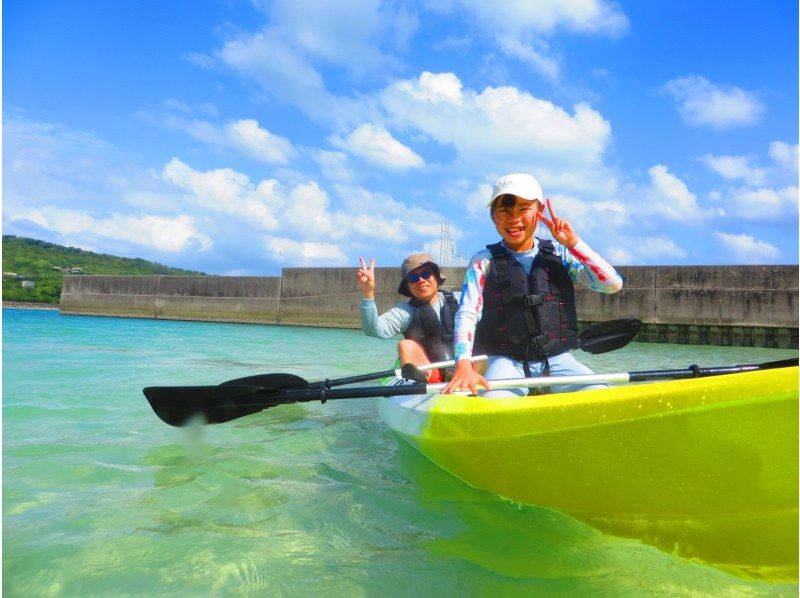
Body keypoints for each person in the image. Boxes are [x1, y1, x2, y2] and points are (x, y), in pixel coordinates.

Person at [443, 173, 623, 397]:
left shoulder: (561, 253)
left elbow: (612, 284)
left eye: (523, 209)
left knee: (602, 396)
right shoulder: (483, 261)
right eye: (504, 212)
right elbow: (467, 313)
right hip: (505, 361)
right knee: (495, 402)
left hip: (558, 359)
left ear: (539, 212)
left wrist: (574, 243)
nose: (514, 219)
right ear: (493, 218)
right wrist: (463, 364)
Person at [357, 253, 459, 382]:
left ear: (437, 277)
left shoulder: (461, 299)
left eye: (426, 274)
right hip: (432, 375)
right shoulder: (404, 312)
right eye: (413, 277)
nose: (421, 280)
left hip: (468, 368)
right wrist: (368, 294)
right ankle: (418, 381)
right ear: (408, 286)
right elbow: (373, 329)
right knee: (406, 345)